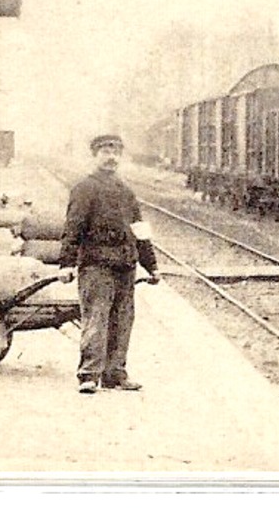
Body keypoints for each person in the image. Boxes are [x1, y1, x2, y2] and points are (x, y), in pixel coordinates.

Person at [59, 134, 160, 393]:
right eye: (105, 151)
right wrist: (67, 263)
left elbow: (140, 229)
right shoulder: (85, 188)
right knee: (96, 319)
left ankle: (115, 374)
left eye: (116, 152)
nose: (111, 157)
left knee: (123, 320)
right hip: (96, 264)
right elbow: (73, 227)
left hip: (125, 265)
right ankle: (89, 375)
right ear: (94, 155)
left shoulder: (126, 191)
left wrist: (152, 265)